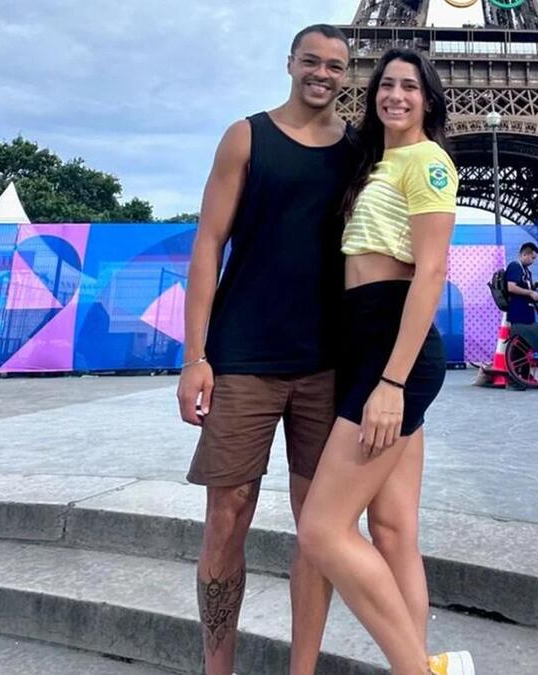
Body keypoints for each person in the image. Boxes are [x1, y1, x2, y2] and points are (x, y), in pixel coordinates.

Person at [175, 24, 357, 675]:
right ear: (290, 63)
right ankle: (216, 667)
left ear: (346, 73)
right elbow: (206, 244)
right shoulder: (246, 137)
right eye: (312, 60)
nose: (322, 73)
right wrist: (195, 354)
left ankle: (300, 669)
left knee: (318, 529)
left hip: (328, 363)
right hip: (243, 357)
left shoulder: (362, 153)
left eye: (335, 65)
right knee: (226, 516)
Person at [296, 49, 474, 675]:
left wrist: (391, 381)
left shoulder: (427, 161)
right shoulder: (381, 163)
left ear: (429, 100)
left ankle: (415, 671)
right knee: (393, 529)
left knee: (322, 529)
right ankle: (426, 662)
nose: (395, 95)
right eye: (386, 85)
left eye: (409, 87)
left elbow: (430, 273)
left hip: (393, 356)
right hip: (371, 345)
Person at [504, 242, 538, 326]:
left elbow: (524, 286)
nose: (533, 261)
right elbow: (511, 287)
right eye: (532, 258)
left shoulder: (527, 271)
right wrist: (530, 292)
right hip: (518, 312)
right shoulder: (515, 266)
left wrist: (535, 285)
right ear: (525, 254)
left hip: (527, 311)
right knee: (520, 337)